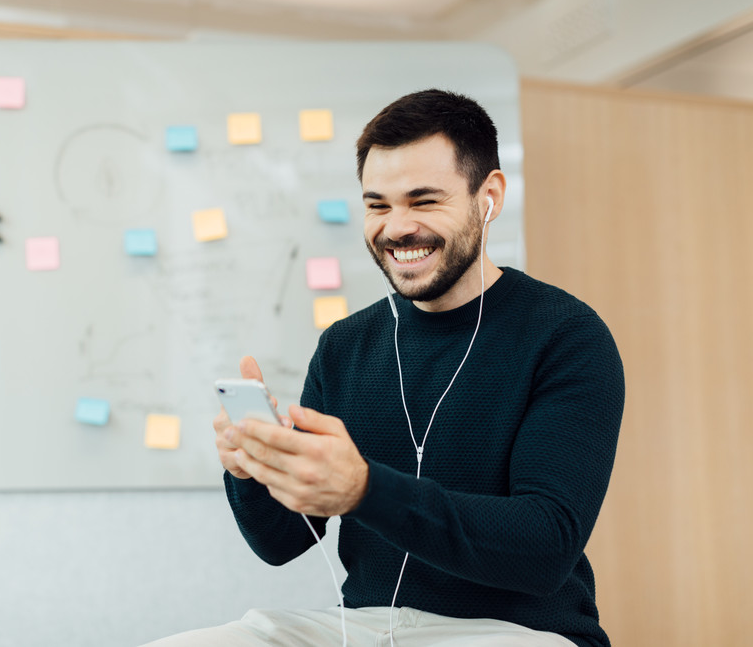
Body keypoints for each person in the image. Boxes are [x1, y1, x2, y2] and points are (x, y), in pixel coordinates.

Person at [143, 89, 624, 647]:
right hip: (365, 627)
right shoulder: (345, 345)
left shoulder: (566, 335)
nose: (396, 228)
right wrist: (253, 469)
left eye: (423, 201)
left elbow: (544, 549)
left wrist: (366, 489)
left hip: (514, 632)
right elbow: (280, 546)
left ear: (488, 196)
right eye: (378, 205)